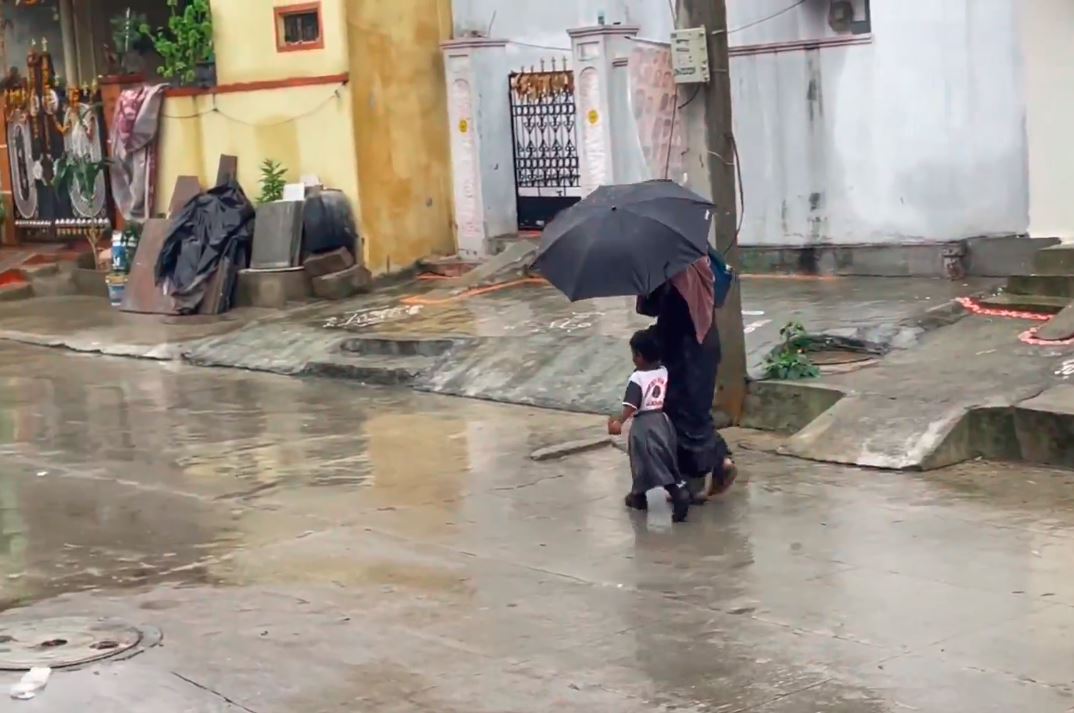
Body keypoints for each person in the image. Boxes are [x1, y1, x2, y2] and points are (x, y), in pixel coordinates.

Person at [637, 257, 736, 502]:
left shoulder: (670, 265)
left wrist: (645, 282)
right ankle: (719, 462)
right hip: (706, 343)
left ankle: (697, 481)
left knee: (681, 415)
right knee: (696, 413)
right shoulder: (699, 258)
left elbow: (652, 306)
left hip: (684, 350)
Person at [607, 329, 692, 523]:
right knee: (664, 459)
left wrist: (619, 421)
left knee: (645, 461)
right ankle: (639, 495)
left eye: (634, 354)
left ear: (639, 356)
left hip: (644, 426)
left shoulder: (637, 378)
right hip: (662, 421)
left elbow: (631, 404)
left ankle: (675, 494)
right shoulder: (663, 371)